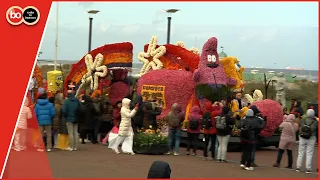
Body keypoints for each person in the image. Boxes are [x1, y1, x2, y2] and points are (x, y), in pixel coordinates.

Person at [296, 109, 318, 173]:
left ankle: (298, 167)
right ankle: (308, 168)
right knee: (309, 153)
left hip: (302, 137)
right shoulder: (315, 122)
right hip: (311, 138)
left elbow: (300, 128)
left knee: (300, 152)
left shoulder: (302, 120)